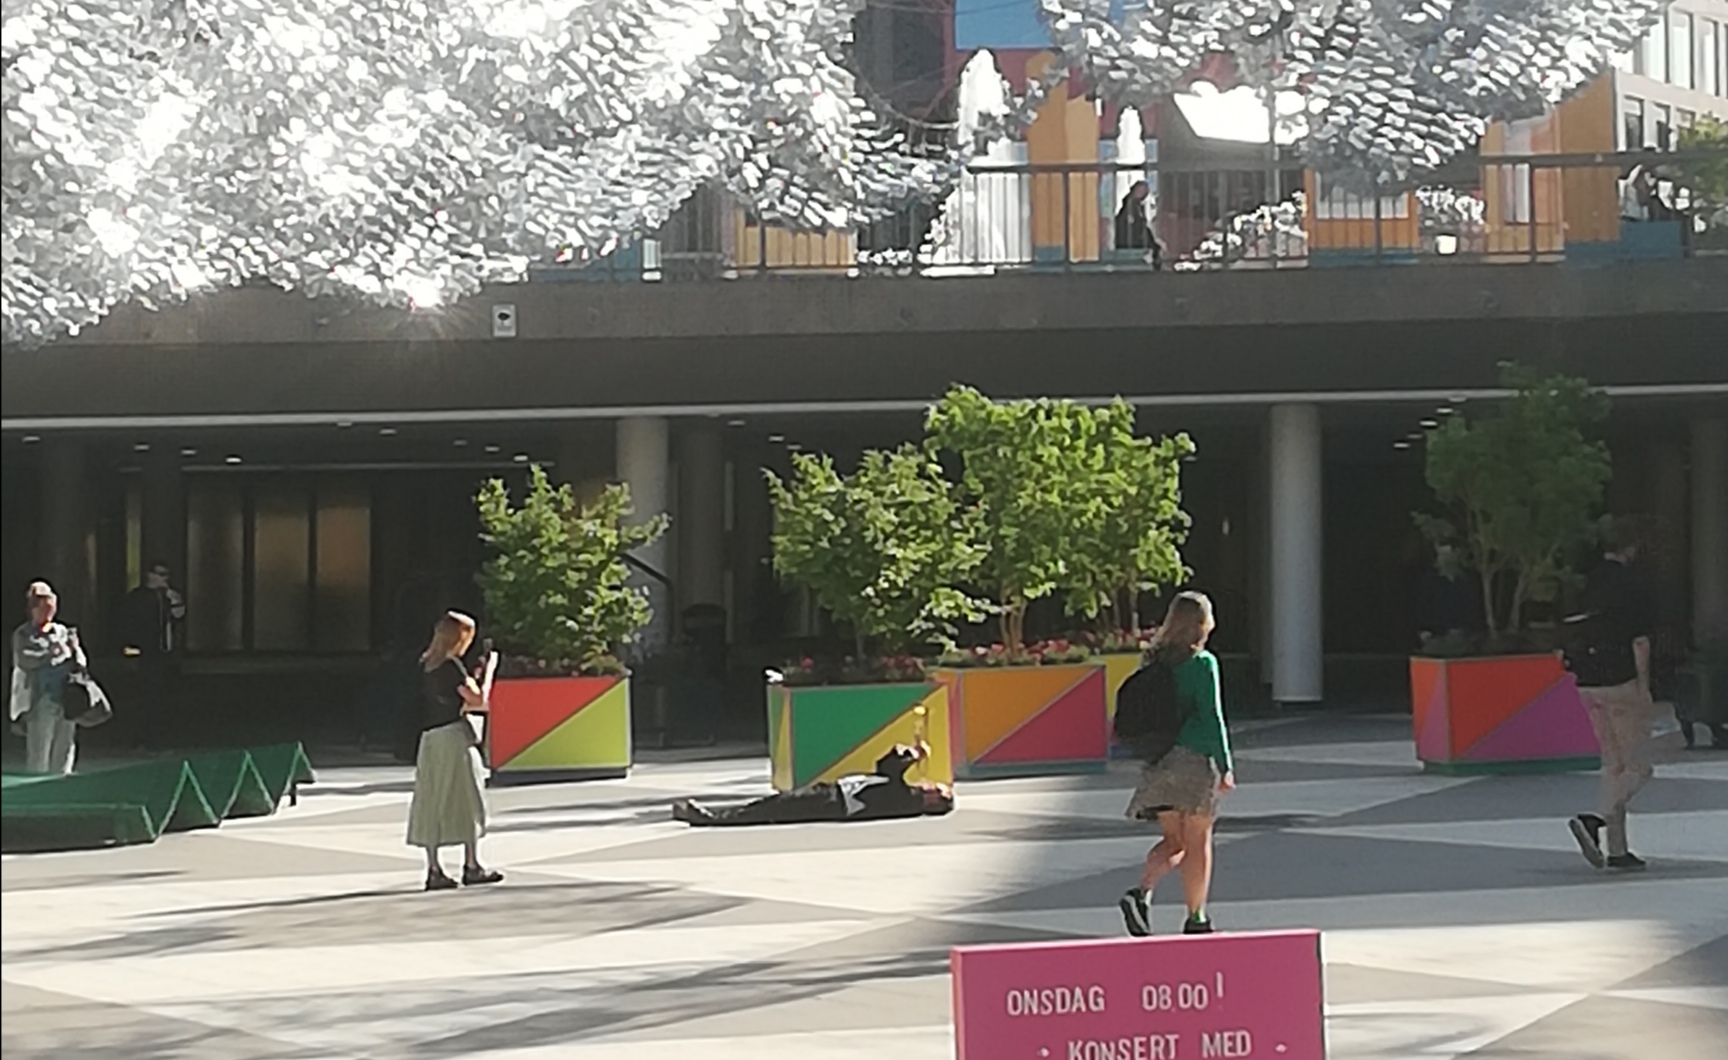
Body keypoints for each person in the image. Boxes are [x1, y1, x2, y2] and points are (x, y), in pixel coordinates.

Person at [1119, 591, 1235, 937]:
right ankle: (1197, 918)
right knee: (1198, 842)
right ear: (1203, 623)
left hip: (1160, 760)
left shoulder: (1154, 660)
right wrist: (1225, 765)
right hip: (1195, 760)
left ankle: (1141, 892)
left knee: (1174, 841)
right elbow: (1213, 716)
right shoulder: (1202, 663)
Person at [1564, 524, 1661, 873]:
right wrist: (1644, 686)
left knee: (1613, 765)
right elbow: (1640, 642)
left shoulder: (1585, 583)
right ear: (1631, 548)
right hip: (1622, 679)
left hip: (1586, 682)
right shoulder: (1633, 587)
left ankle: (1618, 849)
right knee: (1639, 767)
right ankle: (1596, 819)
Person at [406, 611, 503, 891]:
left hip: (430, 738)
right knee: (468, 797)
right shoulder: (451, 665)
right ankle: (472, 864)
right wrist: (490, 671)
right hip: (454, 737)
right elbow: (479, 701)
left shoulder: (426, 663)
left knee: (432, 798)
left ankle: (434, 868)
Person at [672, 743, 954, 826]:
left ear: (934, 802)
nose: (931, 785)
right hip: (833, 793)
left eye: (937, 790)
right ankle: (714, 815)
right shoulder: (907, 794)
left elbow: (892, 778)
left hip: (835, 803)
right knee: (775, 804)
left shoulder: (908, 802)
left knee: (776, 808)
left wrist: (913, 757)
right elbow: (883, 769)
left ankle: (708, 818)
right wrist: (904, 753)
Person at [8, 581, 87, 775]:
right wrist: (49, 653)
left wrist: (74, 648)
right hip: (40, 698)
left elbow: (82, 663)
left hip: (65, 697)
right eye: (42, 605)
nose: (47, 611)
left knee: (65, 747)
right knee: (39, 750)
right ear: (33, 609)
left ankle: (63, 782)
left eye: (50, 606)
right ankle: (38, 787)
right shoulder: (23, 634)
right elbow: (25, 660)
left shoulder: (62, 632)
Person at [119, 560, 185, 743]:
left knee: (163, 696)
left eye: (166, 575)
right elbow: (128, 624)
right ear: (150, 575)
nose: (164, 579)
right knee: (146, 696)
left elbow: (178, 616)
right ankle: (144, 737)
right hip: (146, 652)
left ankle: (159, 736)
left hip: (165, 651)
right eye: (160, 574)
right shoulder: (138, 597)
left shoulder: (167, 597)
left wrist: (174, 600)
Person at [1114, 180, 1164, 269]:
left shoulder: (1136, 205)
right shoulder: (1130, 205)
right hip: (1131, 241)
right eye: (1140, 190)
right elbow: (1133, 225)